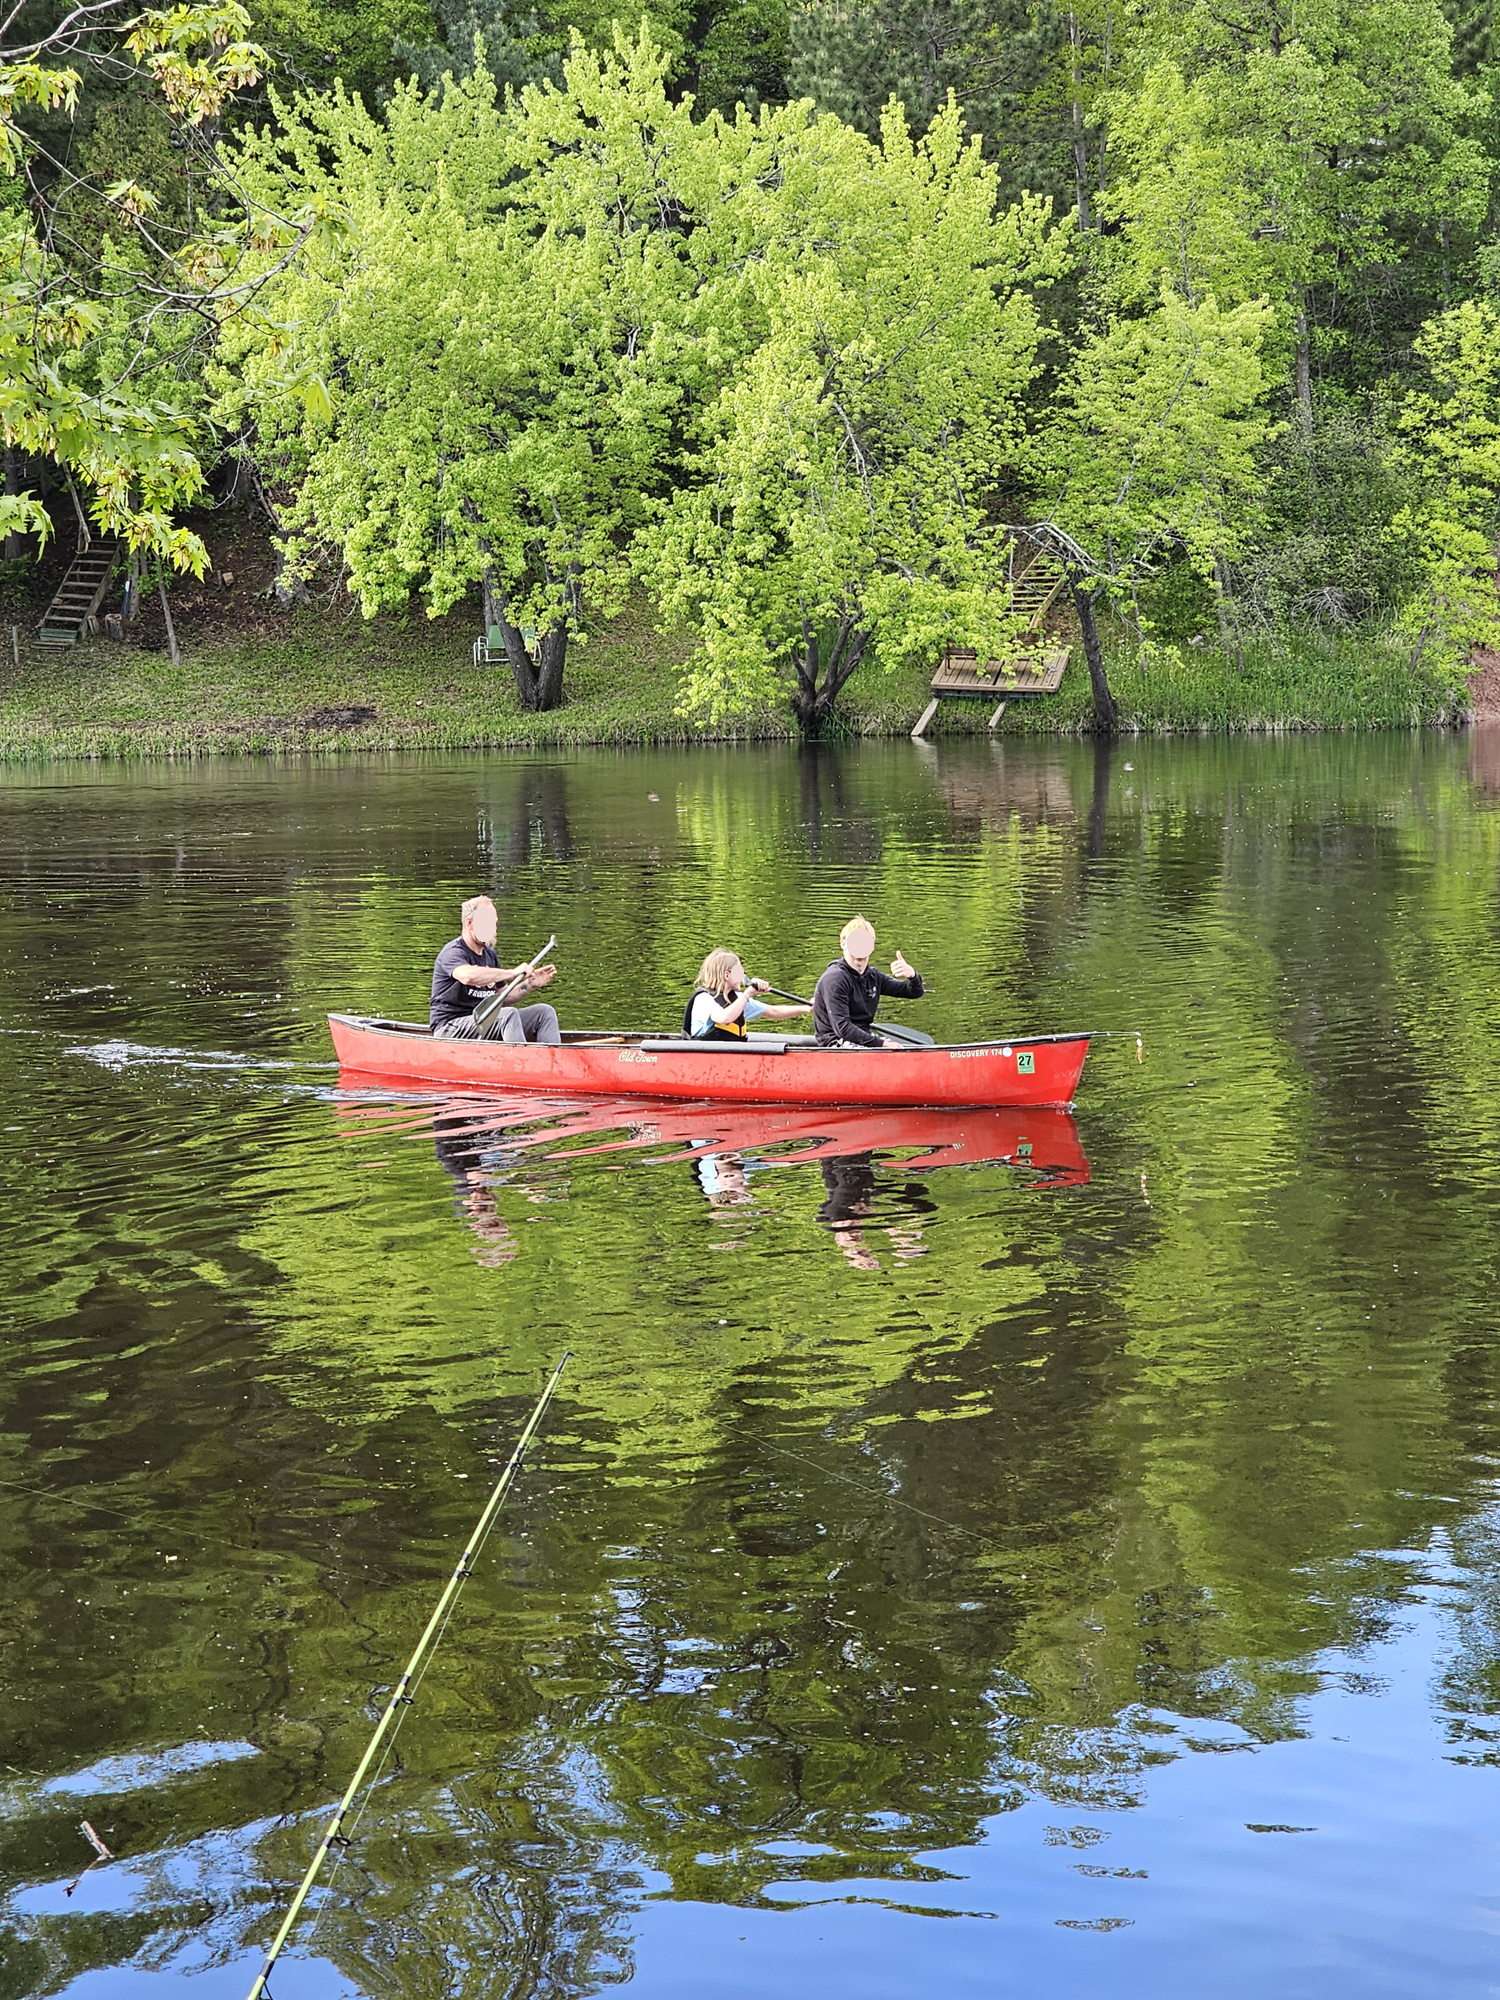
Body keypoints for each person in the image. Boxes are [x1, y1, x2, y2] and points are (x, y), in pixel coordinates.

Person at [429, 895, 560, 1043]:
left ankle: (554, 1062)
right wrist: (512, 973)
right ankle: (520, 1063)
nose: (493, 929)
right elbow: (468, 976)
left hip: (485, 1022)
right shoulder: (453, 952)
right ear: (470, 923)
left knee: (544, 1012)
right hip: (450, 1028)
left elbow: (502, 997)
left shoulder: (490, 955)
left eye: (494, 923)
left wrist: (529, 984)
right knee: (508, 1015)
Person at [812, 916, 924, 1049]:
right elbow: (842, 1028)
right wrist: (882, 1044)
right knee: (886, 1048)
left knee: (899, 1049)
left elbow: (914, 992)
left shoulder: (873, 976)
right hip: (836, 1043)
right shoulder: (834, 979)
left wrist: (912, 975)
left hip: (862, 1037)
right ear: (843, 943)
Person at [683, 948, 811, 1041]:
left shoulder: (737, 999)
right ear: (727, 975)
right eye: (739, 971)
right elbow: (724, 1018)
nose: (743, 975)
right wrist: (748, 994)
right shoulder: (703, 1000)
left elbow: (772, 1012)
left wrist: (806, 1008)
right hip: (706, 1061)